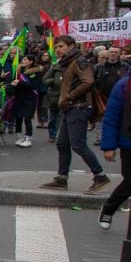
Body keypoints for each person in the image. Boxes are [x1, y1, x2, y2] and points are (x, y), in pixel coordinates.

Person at [42, 35, 110, 193]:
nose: (57, 50)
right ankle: (62, 178)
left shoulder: (79, 61)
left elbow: (88, 81)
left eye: (61, 46)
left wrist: (69, 96)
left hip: (79, 106)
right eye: (56, 47)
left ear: (71, 46)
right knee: (62, 143)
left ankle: (100, 176)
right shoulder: (68, 62)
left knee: (78, 145)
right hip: (70, 107)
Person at [97, 62, 131, 230]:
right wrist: (109, 146)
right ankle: (109, 209)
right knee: (130, 182)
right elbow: (112, 115)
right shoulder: (125, 84)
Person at [8, 53, 46, 148]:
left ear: (31, 61)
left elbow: (34, 86)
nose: (23, 61)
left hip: (30, 97)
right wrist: (13, 84)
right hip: (18, 97)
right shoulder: (18, 71)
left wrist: (21, 83)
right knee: (18, 117)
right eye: (23, 59)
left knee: (27, 117)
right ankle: (19, 136)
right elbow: (14, 83)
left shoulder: (36, 72)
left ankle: (28, 138)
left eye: (25, 60)